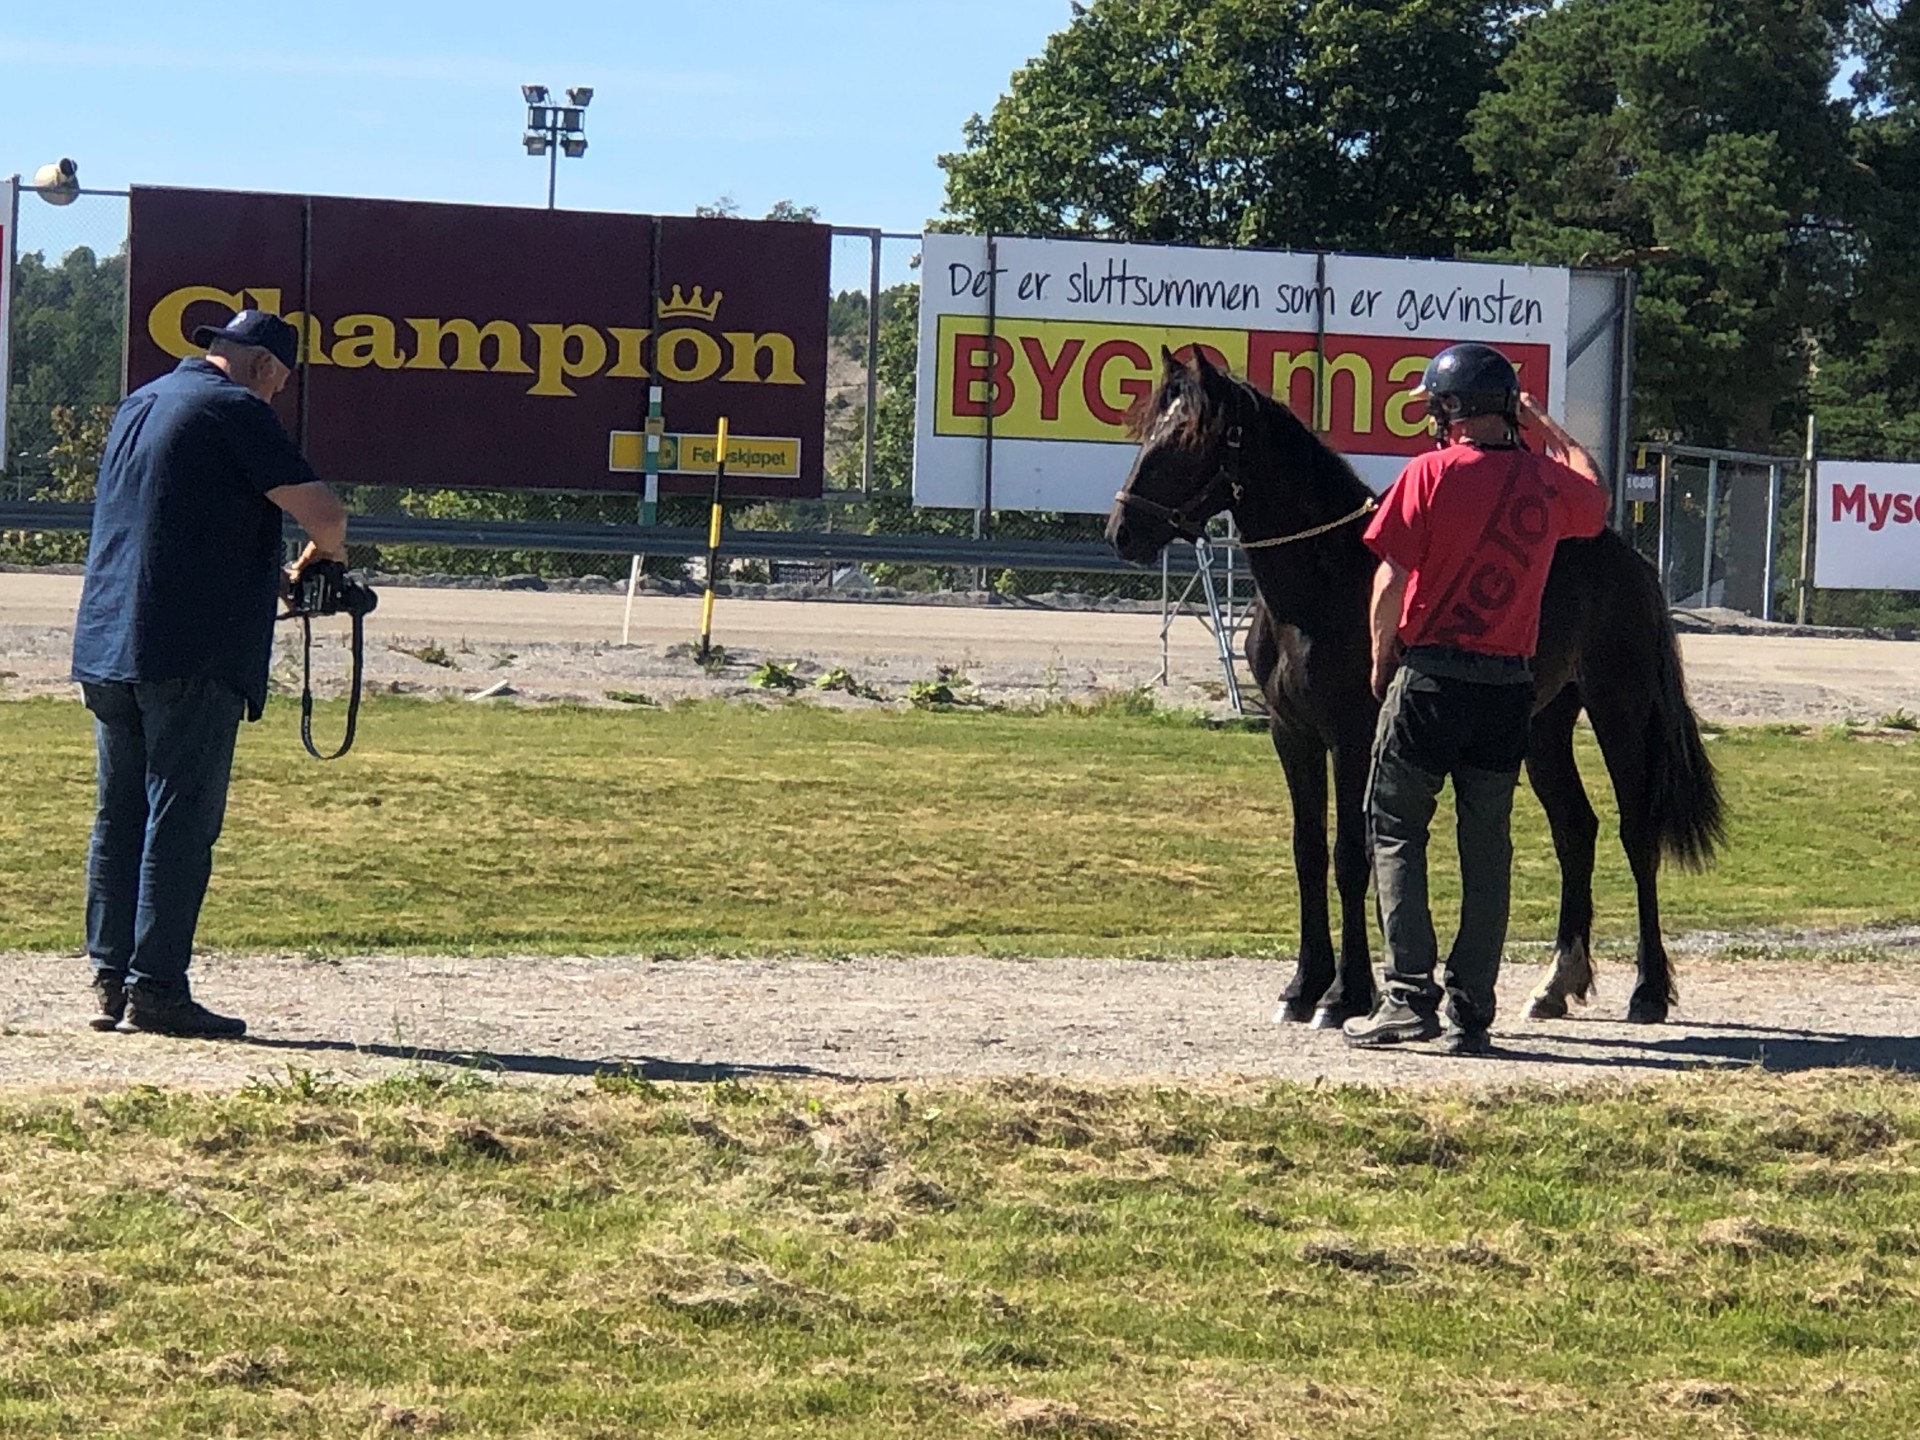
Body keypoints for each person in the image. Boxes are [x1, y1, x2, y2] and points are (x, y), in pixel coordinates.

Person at [71, 309, 349, 1038]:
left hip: (109, 638)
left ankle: (108, 979)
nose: (275, 397)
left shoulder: (144, 401)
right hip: (189, 648)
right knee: (180, 817)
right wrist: (320, 562)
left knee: (118, 814)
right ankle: (157, 986)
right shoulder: (233, 408)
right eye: (279, 384)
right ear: (263, 367)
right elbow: (325, 514)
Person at [1342, 342, 1610, 1056]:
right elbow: (1595, 489)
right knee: (1486, 845)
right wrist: (1543, 423)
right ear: (1507, 410)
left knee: (1397, 830)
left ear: (1452, 410)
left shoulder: (1427, 474)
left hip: (1431, 680)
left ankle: (1407, 996)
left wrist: (1381, 657)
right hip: (1508, 689)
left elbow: (1391, 579)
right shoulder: (1549, 484)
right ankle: (1473, 1005)